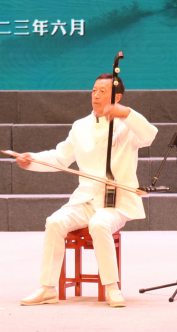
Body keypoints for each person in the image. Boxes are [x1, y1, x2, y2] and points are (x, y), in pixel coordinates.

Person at [14, 73, 158, 308]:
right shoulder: (80, 126)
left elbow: (149, 135)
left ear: (117, 97)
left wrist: (125, 112)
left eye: (102, 91)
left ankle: (112, 288)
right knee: (54, 222)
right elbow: (59, 158)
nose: (96, 95)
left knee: (99, 224)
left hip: (116, 201)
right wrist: (31, 160)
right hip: (85, 198)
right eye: (94, 90)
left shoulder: (127, 125)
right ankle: (47, 288)